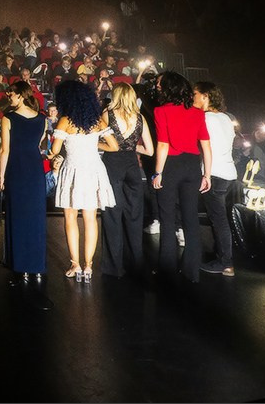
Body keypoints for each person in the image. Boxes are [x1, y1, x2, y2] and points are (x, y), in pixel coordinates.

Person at [49, 79, 118, 283]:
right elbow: (114, 146)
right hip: (94, 169)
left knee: (70, 218)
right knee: (90, 218)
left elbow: (54, 150)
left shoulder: (65, 121)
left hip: (72, 170)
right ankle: (88, 266)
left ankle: (75, 264)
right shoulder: (97, 120)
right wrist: (95, 146)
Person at [151, 71, 212, 284]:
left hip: (172, 165)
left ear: (168, 87)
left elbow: (163, 144)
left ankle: (167, 272)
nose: (157, 86)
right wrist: (207, 174)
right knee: (190, 219)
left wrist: (157, 172)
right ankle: (191, 271)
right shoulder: (197, 112)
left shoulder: (161, 111)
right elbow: (205, 145)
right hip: (192, 165)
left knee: (168, 220)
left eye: (159, 84)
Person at [0, 81, 51, 296]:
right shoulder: (42, 119)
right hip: (34, 169)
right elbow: (38, 143)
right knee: (36, 218)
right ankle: (36, 267)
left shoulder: (8, 118)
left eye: (11, 94)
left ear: (20, 95)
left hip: (17, 169)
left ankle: (21, 267)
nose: (9, 97)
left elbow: (4, 150)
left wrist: (1, 178)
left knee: (18, 217)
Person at [99, 82, 154, 278]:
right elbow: (149, 150)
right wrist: (132, 148)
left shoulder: (107, 115)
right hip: (132, 166)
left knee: (112, 215)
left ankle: (114, 267)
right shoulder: (140, 118)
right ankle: (136, 263)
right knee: (134, 215)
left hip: (113, 166)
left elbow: (97, 141)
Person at [194, 81, 237, 277]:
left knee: (218, 220)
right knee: (220, 218)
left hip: (215, 174)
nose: (192, 97)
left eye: (195, 94)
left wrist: (206, 175)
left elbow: (206, 149)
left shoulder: (205, 119)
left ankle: (225, 263)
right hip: (229, 173)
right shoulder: (226, 119)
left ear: (205, 96)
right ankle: (223, 259)